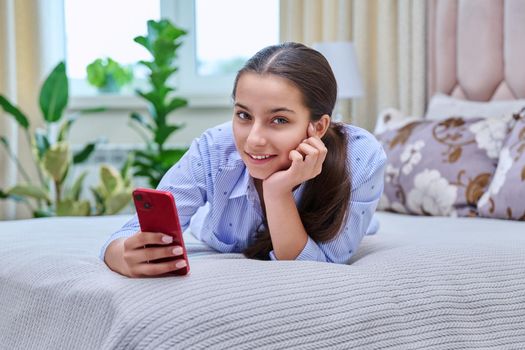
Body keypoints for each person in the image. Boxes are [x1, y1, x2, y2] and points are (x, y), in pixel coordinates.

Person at [102, 42, 386, 278]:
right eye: (243, 115)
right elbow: (126, 236)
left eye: (279, 119)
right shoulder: (214, 149)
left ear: (319, 127)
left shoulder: (361, 159)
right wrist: (121, 255)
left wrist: (278, 192)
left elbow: (313, 271)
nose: (253, 140)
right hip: (209, 223)